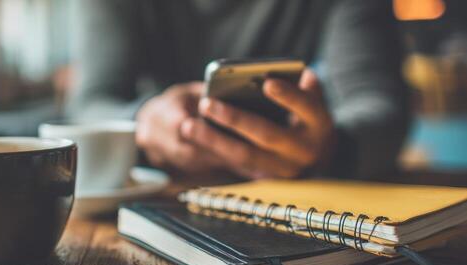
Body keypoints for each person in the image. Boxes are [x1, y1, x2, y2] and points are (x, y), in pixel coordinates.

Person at [68, 0, 411, 179]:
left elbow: (381, 103)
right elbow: (89, 104)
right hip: (160, 190)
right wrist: (143, 124)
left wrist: (330, 147)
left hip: (286, 192)